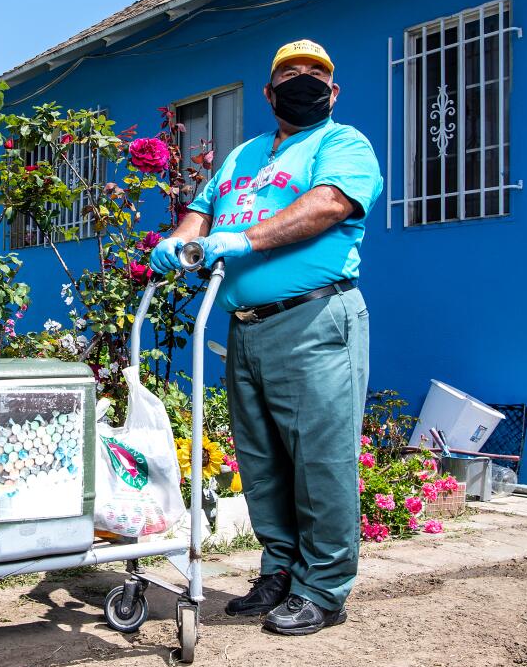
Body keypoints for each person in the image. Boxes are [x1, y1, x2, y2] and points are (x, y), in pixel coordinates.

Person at [151, 39, 382, 636]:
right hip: (244, 329)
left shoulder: (341, 144)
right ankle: (279, 571)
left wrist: (246, 240)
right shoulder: (244, 155)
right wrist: (182, 240)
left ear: (333, 91)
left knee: (320, 460)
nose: (302, 81)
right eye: (290, 74)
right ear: (269, 92)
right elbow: (202, 210)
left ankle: (324, 589)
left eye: (315, 75)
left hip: (312, 321)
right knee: (262, 464)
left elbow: (328, 204)